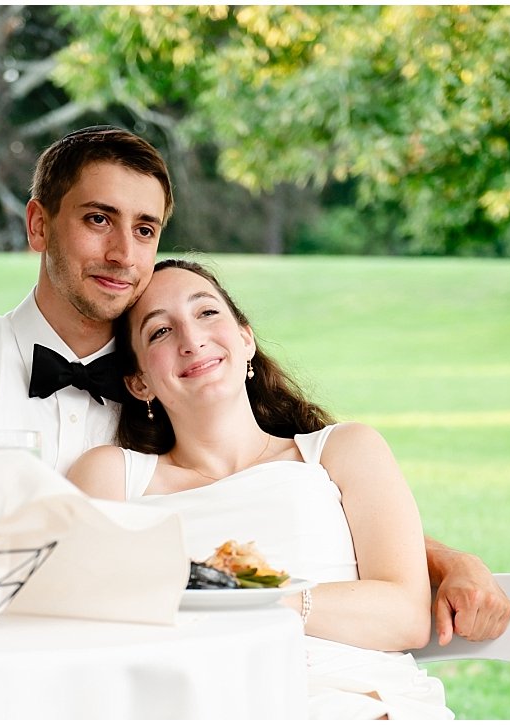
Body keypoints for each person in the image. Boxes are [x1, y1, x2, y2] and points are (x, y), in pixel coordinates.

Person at [0, 125, 510, 647]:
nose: (123, 253)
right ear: (39, 225)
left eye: (145, 229)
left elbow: (276, 499)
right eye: (98, 219)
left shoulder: (174, 394)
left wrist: (446, 559)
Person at [67, 258, 450, 718]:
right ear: (139, 381)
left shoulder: (340, 451)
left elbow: (406, 616)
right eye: (160, 332)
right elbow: (81, 624)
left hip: (351, 700)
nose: (192, 340)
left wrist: (257, 598)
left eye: (207, 313)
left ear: (245, 338)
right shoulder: (112, 477)